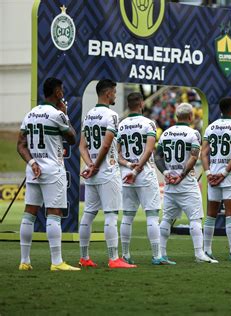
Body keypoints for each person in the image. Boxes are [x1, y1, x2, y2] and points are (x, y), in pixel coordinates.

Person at [17, 77, 79, 271]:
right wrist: (65, 115)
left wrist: (33, 162)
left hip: (34, 169)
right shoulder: (56, 114)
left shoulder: (29, 114)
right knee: (54, 213)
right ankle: (57, 261)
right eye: (61, 90)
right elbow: (72, 138)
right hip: (53, 169)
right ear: (58, 92)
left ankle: (24, 261)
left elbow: (20, 145)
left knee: (29, 213)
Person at [78, 79, 136, 268]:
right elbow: (105, 144)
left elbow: (82, 146)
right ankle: (113, 258)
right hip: (108, 171)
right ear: (107, 93)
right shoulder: (111, 115)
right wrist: (95, 166)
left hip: (93, 172)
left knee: (88, 214)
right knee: (111, 214)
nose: (115, 95)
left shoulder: (88, 115)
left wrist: (89, 165)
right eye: (114, 92)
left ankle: (84, 257)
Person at [156, 103, 218, 264]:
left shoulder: (165, 133)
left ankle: (160, 254)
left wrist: (166, 173)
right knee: (195, 219)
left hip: (170, 183)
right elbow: (193, 156)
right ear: (191, 117)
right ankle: (199, 254)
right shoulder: (193, 133)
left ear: (177, 117)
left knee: (167, 219)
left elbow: (158, 157)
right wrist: (182, 175)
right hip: (186, 183)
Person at [116, 92, 165, 265]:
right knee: (152, 214)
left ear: (128, 105)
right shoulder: (148, 123)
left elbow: (118, 153)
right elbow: (150, 150)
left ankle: (126, 254)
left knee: (127, 216)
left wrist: (129, 166)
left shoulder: (121, 125)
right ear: (142, 103)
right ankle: (156, 255)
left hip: (126, 175)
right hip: (143, 174)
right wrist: (136, 170)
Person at [201, 97, 231, 261]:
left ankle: (206, 250)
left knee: (210, 215)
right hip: (229, 175)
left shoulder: (210, 127)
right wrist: (224, 173)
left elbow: (204, 153)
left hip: (213, 176)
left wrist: (208, 173)